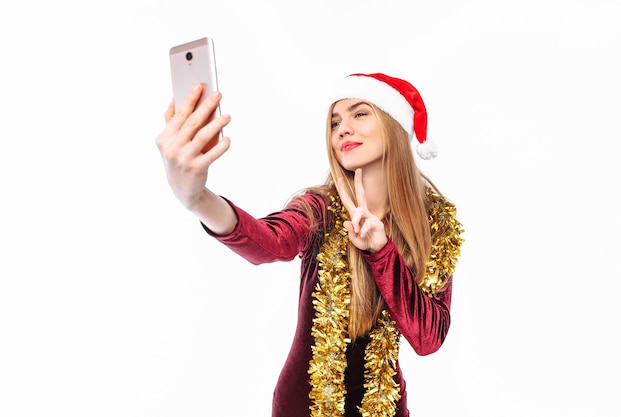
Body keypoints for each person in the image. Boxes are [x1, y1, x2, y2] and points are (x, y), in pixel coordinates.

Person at [156, 72, 464, 417]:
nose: (342, 129)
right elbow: (269, 242)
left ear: (394, 125)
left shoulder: (435, 225)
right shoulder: (319, 208)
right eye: (334, 122)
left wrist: (380, 251)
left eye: (359, 113)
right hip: (303, 407)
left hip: (385, 407)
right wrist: (197, 198)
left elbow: (428, 338)